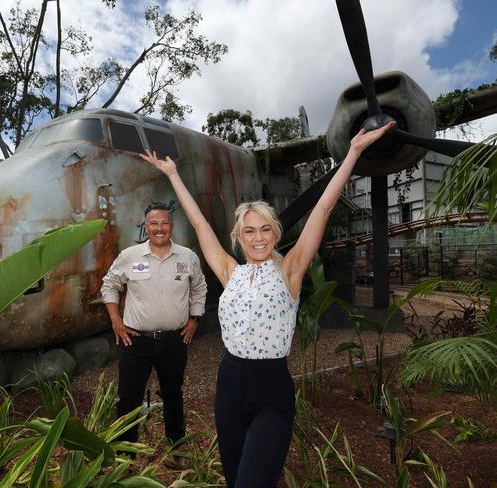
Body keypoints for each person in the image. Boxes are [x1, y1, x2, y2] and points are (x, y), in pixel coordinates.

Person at [140, 121, 396, 487]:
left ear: (275, 233)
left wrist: (352, 153)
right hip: (228, 385)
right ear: (239, 237)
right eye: (249, 230)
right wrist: (174, 175)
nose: (258, 237)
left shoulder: (289, 271)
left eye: (265, 230)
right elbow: (198, 224)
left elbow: (321, 211)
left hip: (271, 388)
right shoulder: (230, 272)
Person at [100, 201, 207, 457]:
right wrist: (116, 320)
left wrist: (195, 319)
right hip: (135, 341)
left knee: (173, 394)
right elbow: (109, 285)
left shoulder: (188, 257)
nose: (160, 228)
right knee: (128, 398)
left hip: (174, 340)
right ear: (146, 227)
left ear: (172, 226)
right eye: (154, 223)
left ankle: (176, 451)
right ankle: (126, 456)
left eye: (165, 223)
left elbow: (200, 288)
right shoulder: (130, 256)